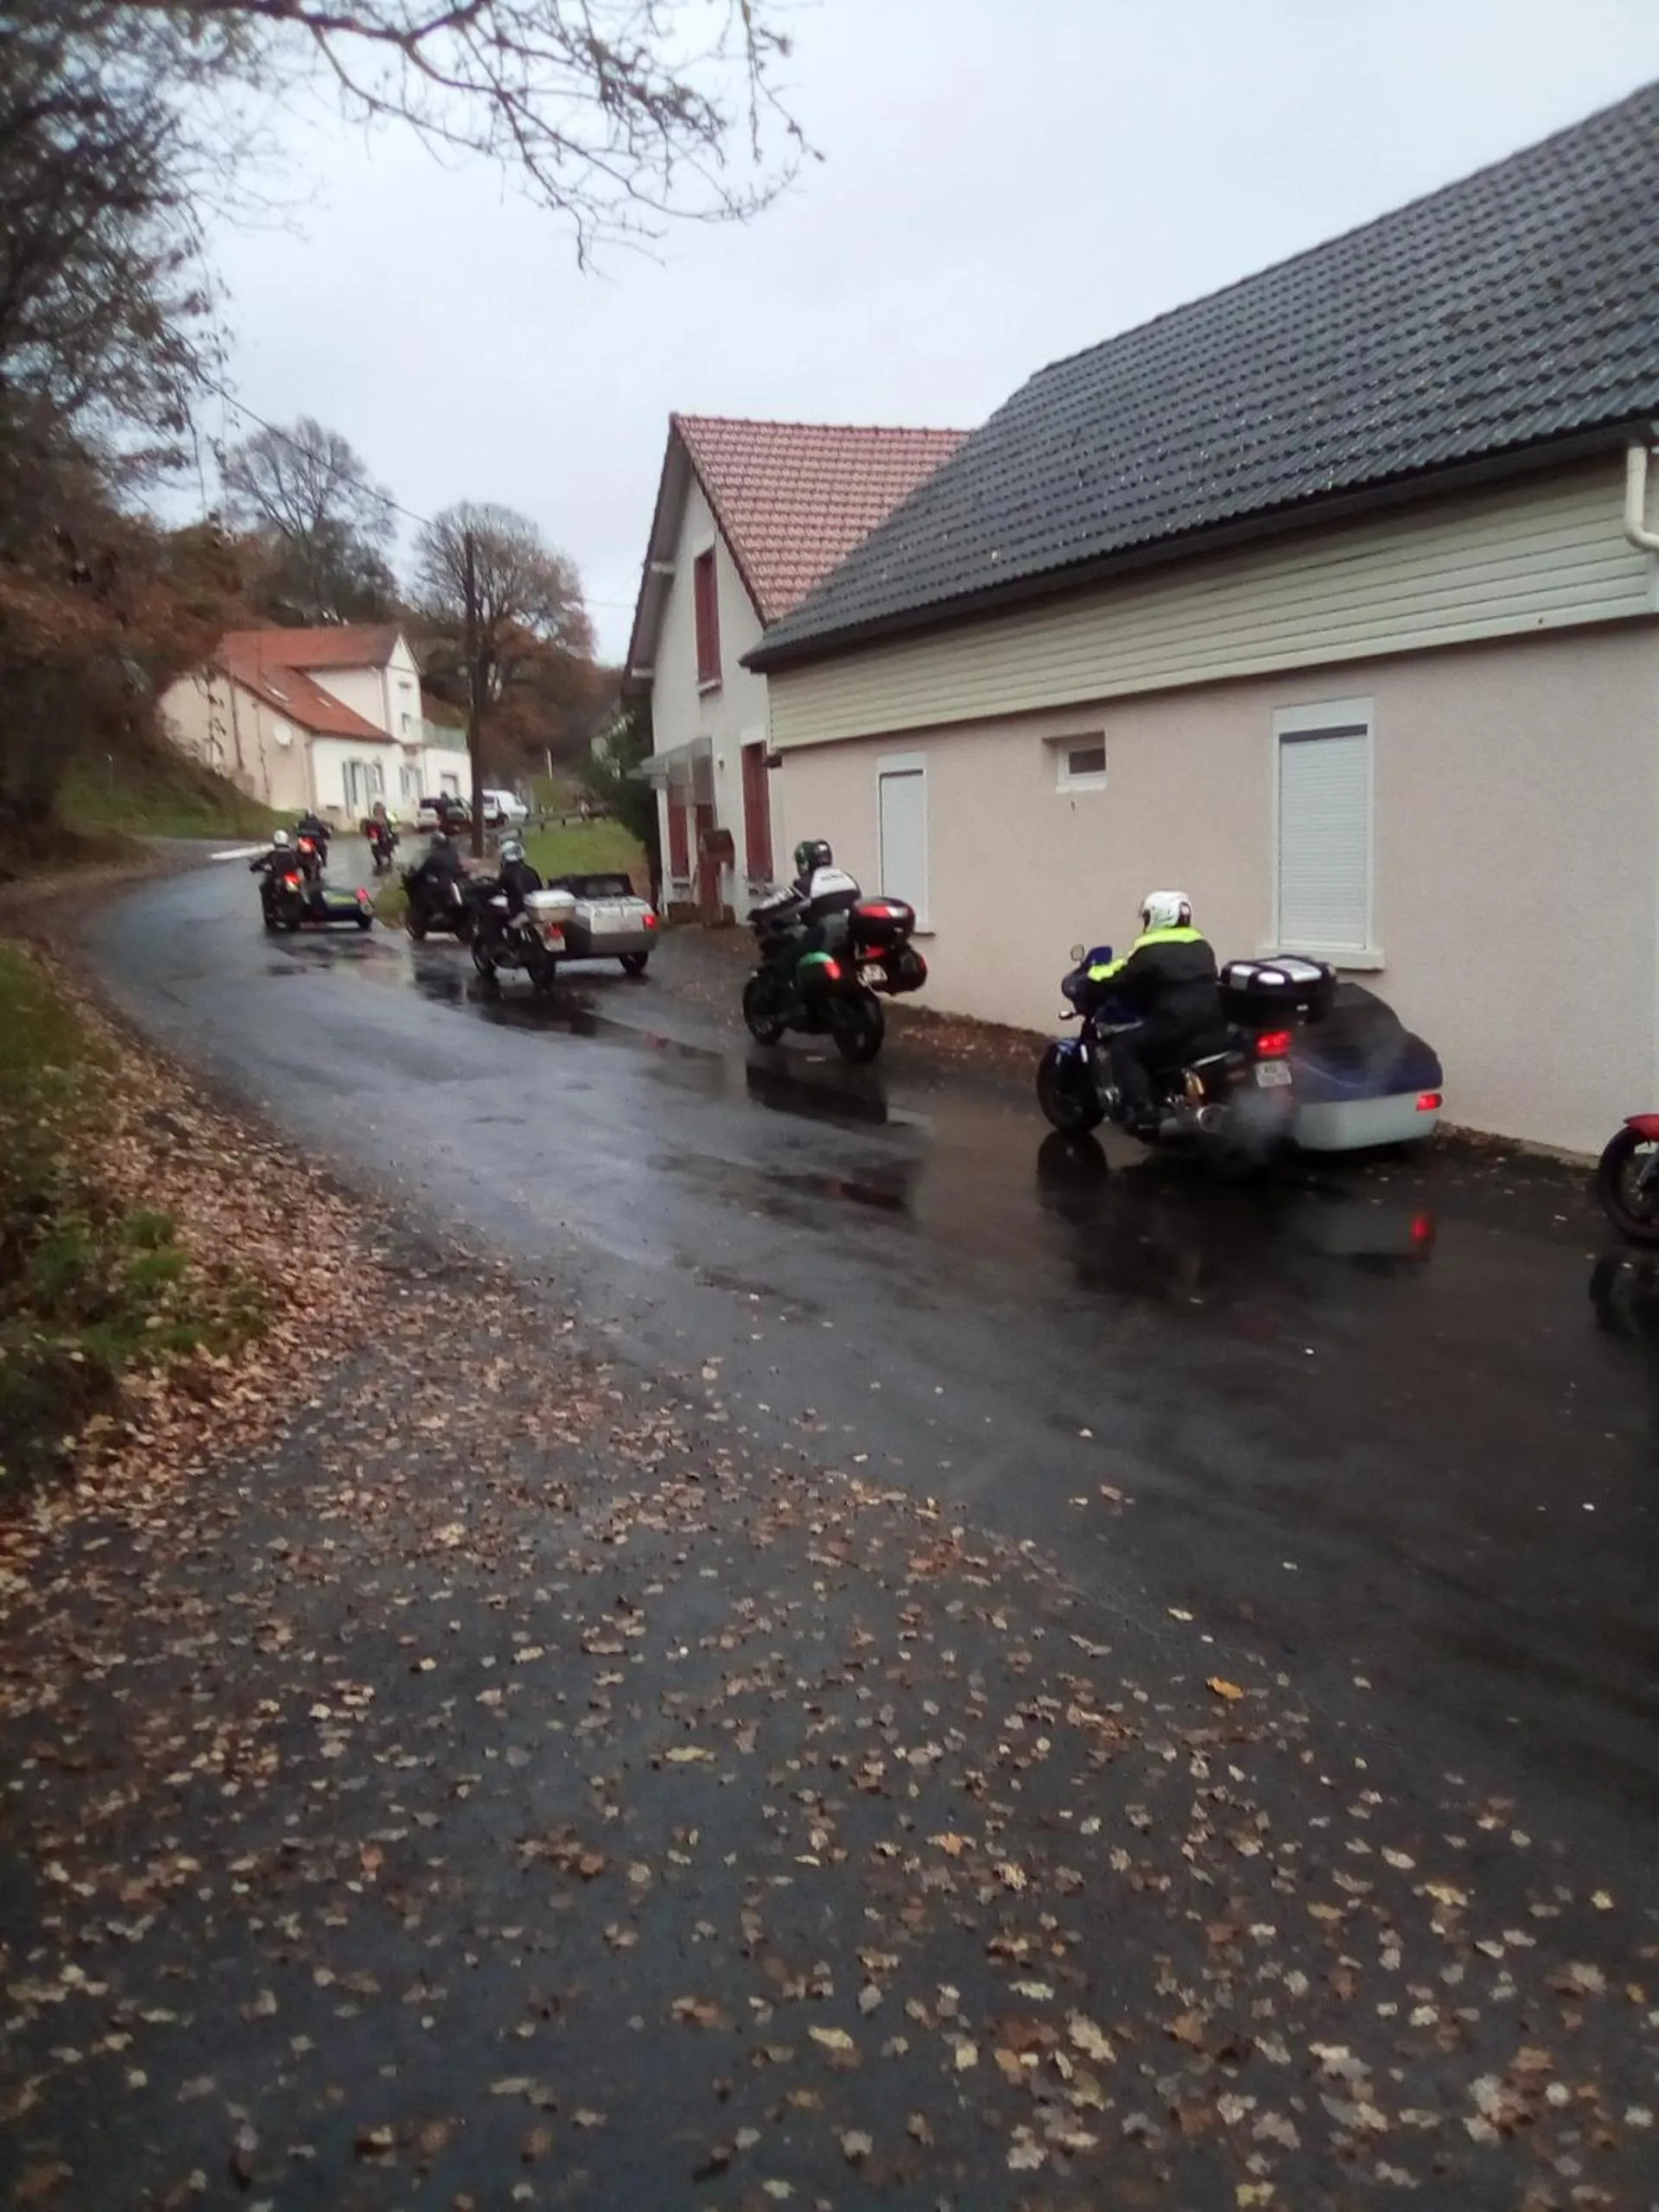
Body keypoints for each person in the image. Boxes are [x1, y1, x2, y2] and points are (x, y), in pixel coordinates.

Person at [1087, 891, 1221, 1129]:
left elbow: (1122, 975)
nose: (1146, 922)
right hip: (1213, 1018)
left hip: (1177, 1020)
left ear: (1160, 917)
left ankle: (1143, 1110)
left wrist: (1093, 975)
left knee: (1124, 1047)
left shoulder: (1151, 948)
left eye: (1148, 916)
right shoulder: (1200, 944)